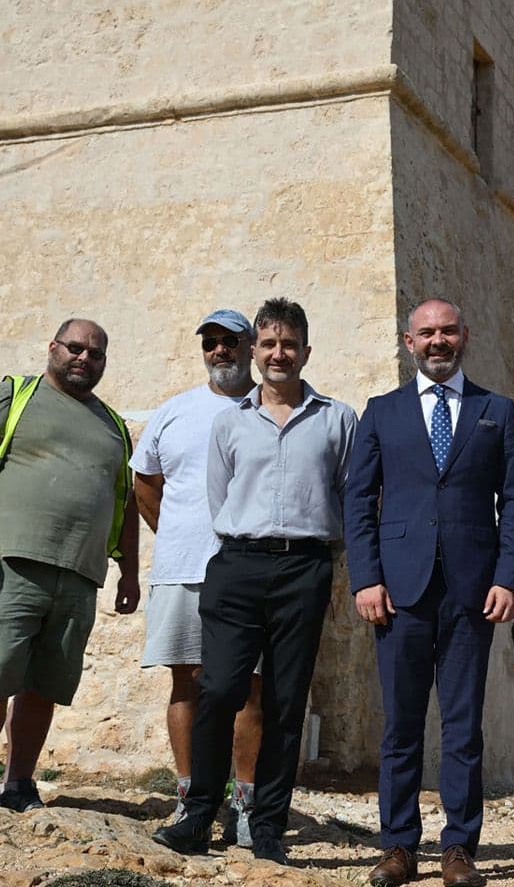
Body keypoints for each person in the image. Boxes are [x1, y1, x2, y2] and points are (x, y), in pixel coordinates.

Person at [152, 298, 357, 866]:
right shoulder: (230, 422)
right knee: (218, 689)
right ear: (255, 352)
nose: (278, 354)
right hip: (237, 564)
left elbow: (350, 494)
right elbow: (222, 497)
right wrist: (248, 541)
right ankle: (197, 815)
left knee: (288, 702)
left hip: (305, 568)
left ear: (306, 351)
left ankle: (266, 825)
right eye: (268, 344)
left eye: (289, 344)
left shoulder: (338, 418)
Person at [344, 299, 514, 887]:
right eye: (427, 333)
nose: (438, 340)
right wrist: (365, 577)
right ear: (409, 342)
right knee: (400, 724)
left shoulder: (496, 411)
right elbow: (358, 503)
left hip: (473, 591)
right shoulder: (380, 413)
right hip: (398, 590)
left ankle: (459, 850)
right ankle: (397, 846)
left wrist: (508, 576)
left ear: (464, 336)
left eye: (448, 330)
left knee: (462, 724)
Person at [131, 308, 264, 840]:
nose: (220, 350)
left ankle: (246, 807)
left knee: (251, 688)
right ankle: (190, 801)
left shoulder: (269, 407)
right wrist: (182, 534)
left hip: (251, 574)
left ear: (250, 346)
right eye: (210, 342)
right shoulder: (174, 411)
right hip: (182, 569)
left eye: (230, 340)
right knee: (185, 682)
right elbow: (144, 482)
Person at [0, 319, 140, 812]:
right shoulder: (16, 396)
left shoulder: (114, 426)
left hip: (80, 576)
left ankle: (19, 783)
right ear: (53, 347)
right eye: (75, 348)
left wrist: (130, 573)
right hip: (12, 563)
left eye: (96, 353)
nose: (84, 359)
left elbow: (124, 502)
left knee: (44, 685)